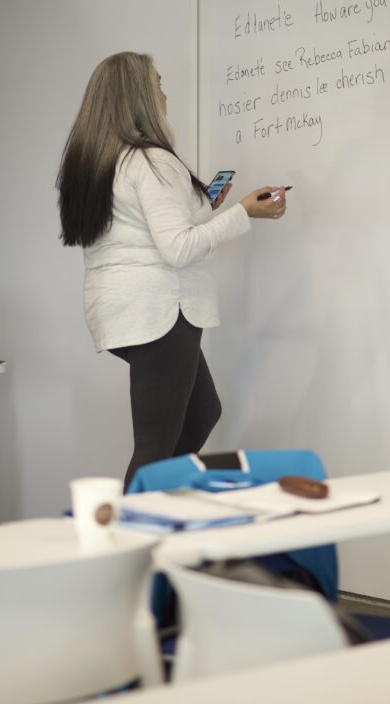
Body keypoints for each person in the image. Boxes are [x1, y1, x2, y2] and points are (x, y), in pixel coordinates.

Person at [57, 51, 286, 488]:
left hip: (124, 308)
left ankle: (162, 498)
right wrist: (241, 213)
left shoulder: (102, 161)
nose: (165, 94)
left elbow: (144, 231)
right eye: (158, 84)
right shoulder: (151, 160)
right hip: (162, 309)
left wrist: (205, 207)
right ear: (139, 97)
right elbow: (178, 249)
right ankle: (133, 538)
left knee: (202, 413)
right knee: (155, 444)